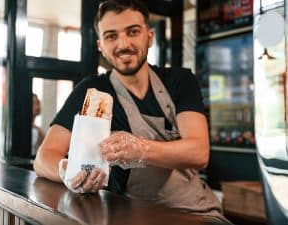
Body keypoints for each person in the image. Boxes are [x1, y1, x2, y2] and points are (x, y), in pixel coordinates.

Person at [34, 0, 231, 223]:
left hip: (194, 213)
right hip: (130, 215)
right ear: (100, 45)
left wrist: (140, 149)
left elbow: (198, 152)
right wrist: (67, 172)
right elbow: (43, 158)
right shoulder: (90, 91)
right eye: (111, 36)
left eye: (132, 32)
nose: (123, 44)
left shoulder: (180, 81)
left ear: (149, 36)